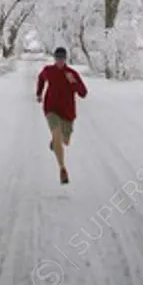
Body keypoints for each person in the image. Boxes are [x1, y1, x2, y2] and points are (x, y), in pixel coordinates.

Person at [36, 46, 87, 184]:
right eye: (57, 58)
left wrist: (73, 82)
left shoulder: (72, 73)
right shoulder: (48, 71)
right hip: (51, 109)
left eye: (62, 59)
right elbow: (41, 78)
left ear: (66, 59)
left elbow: (83, 93)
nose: (60, 61)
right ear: (54, 59)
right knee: (57, 134)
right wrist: (39, 93)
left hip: (68, 112)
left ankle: (55, 141)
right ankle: (62, 169)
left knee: (65, 141)